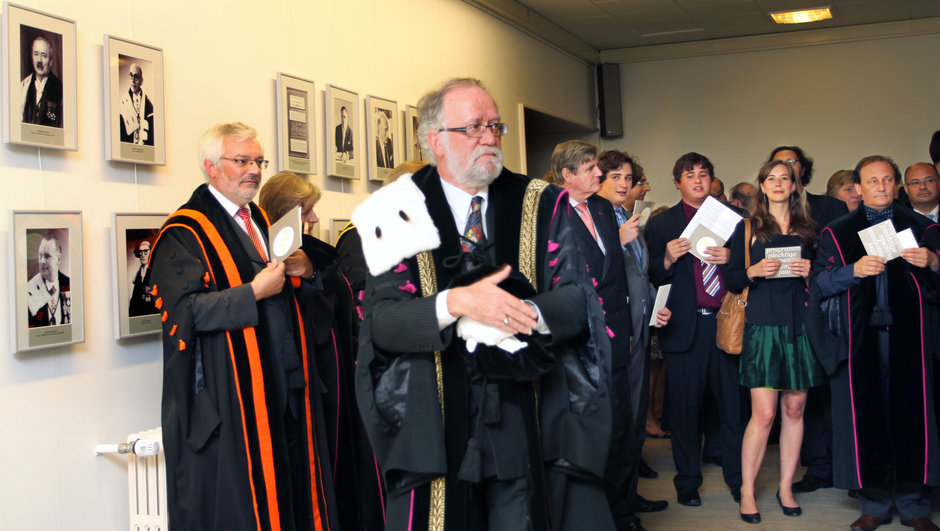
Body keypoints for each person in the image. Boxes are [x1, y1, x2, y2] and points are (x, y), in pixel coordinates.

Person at [354, 78, 613, 531]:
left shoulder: (541, 202)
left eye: (495, 126)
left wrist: (521, 314)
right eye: (474, 127)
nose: (490, 137)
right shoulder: (396, 208)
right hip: (435, 414)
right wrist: (455, 303)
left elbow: (578, 299)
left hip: (523, 406)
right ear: (435, 140)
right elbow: (384, 323)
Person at [148, 122, 336, 530]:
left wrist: (306, 269)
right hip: (232, 392)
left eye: (258, 161)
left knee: (293, 491)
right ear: (211, 166)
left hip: (285, 382)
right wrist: (252, 293)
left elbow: (293, 291)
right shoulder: (184, 232)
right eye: (242, 161)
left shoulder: (262, 220)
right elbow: (185, 313)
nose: (254, 170)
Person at [811, 155, 940, 531]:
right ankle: (874, 505)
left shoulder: (923, 228)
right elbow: (820, 283)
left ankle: (915, 507)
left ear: (897, 185)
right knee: (867, 418)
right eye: (872, 181)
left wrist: (933, 261)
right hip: (861, 340)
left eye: (886, 180)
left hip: (912, 338)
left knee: (913, 417)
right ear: (858, 188)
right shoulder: (837, 232)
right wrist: (853, 271)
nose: (881, 187)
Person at [259, 171, 385, 531]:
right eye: (306, 211)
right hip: (305, 387)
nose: (314, 218)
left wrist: (314, 273)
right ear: (284, 215)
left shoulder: (315, 254)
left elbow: (342, 307)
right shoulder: (265, 259)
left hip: (336, 381)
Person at [644, 152, 746, 507]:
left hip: (727, 323)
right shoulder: (661, 224)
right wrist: (667, 258)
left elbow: (752, 264)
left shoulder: (735, 219)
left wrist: (732, 259)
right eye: (690, 175)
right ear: (678, 183)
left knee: (733, 409)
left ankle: (738, 480)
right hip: (684, 328)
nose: (698, 180)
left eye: (704, 174)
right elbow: (649, 275)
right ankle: (687, 481)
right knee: (685, 411)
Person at [726, 159, 825, 524]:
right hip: (763, 325)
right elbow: (730, 278)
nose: (779, 183)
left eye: (786, 178)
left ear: (795, 186)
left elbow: (824, 279)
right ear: (763, 186)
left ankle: (785, 487)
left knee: (795, 410)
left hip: (800, 325)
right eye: (772, 178)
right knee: (764, 414)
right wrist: (752, 271)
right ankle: (748, 491)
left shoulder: (809, 229)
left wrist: (810, 272)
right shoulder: (747, 227)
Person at [595, 149, 672, 522]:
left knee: (636, 418)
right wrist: (617, 240)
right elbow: (593, 275)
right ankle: (616, 509)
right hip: (615, 334)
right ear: (599, 179)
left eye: (629, 178)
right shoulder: (593, 218)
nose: (624, 184)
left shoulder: (627, 216)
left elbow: (640, 274)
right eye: (616, 177)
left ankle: (629, 497)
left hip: (640, 329)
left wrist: (657, 305)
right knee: (618, 423)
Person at [769, 146, 847, 495]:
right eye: (778, 165)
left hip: (829, 309)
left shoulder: (829, 207)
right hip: (787, 313)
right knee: (803, 397)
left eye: (791, 163)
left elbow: (839, 257)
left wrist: (811, 269)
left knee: (832, 391)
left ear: (801, 170)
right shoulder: (763, 217)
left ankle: (845, 466)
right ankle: (816, 467)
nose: (785, 170)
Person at [26, 230, 70, 327]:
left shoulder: (69, 284)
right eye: (40, 256)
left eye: (47, 256)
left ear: (58, 259)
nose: (42, 261)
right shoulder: (29, 290)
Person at [20, 35, 62, 128]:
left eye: (44, 56)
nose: (39, 60)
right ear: (32, 58)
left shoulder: (59, 88)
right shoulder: (24, 86)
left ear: (50, 61)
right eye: (36, 54)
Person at [119, 63, 154, 146]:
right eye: (131, 76)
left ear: (141, 81)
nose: (133, 80)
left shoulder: (148, 104)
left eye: (136, 77)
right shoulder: (124, 102)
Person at [128, 239, 157, 316]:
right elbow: (134, 298)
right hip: (139, 313)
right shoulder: (138, 273)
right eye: (140, 252)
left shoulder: (155, 271)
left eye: (145, 251)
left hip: (152, 312)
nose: (143, 255)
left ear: (150, 252)